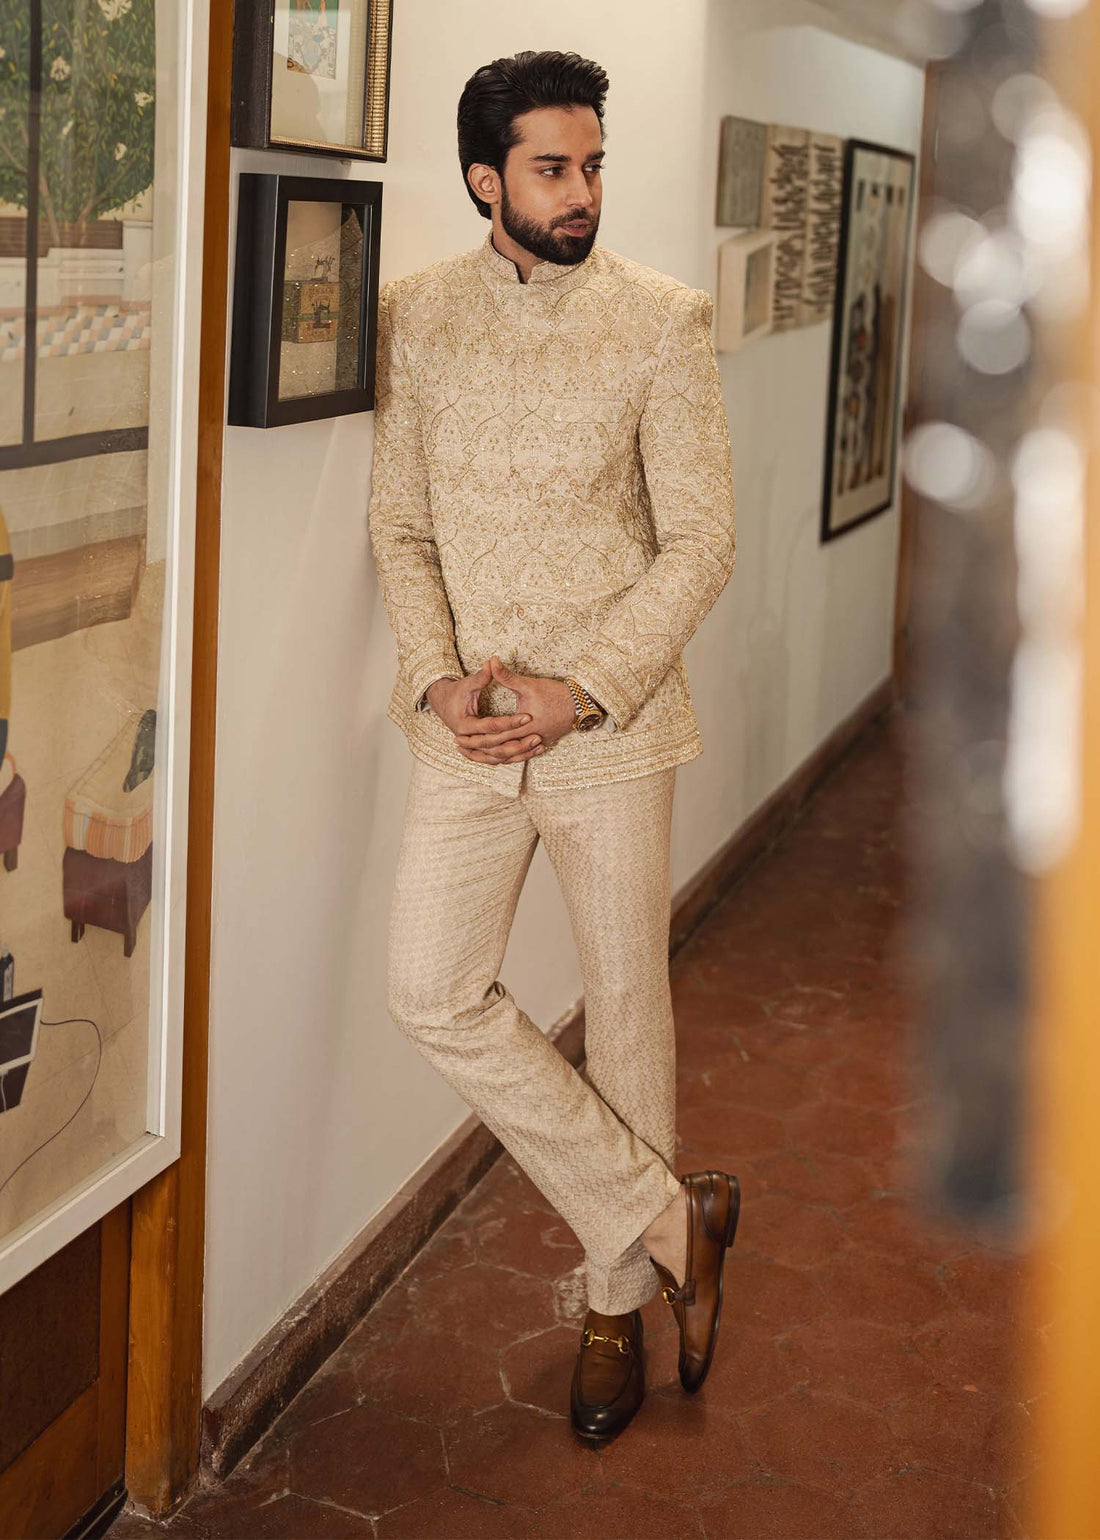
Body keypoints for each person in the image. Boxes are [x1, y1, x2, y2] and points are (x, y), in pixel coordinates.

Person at [368, 48, 739, 1442]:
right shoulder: (415, 318)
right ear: (486, 179)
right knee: (430, 989)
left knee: (625, 1008)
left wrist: (581, 692)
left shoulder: (660, 320)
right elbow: (402, 527)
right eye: (551, 168)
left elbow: (701, 539)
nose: (582, 190)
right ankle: (669, 1216)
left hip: (609, 736)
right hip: (466, 737)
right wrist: (434, 681)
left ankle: (612, 1304)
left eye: (592, 165)